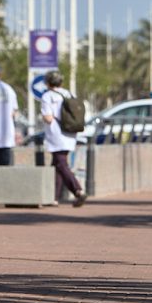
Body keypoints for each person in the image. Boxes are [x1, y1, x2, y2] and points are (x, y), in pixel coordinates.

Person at [40, 71, 87, 207]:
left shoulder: (47, 96)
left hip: (56, 133)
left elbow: (48, 118)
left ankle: (78, 190)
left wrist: (43, 117)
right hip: (70, 132)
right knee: (57, 164)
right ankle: (53, 196)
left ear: (48, 83)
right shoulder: (69, 94)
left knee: (61, 164)